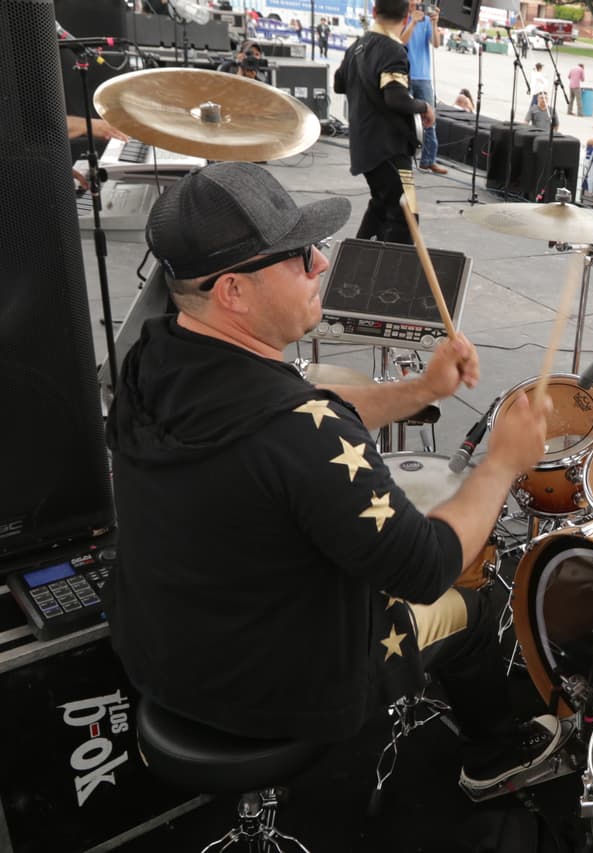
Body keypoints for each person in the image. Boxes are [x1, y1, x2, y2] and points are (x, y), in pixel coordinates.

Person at [105, 162, 566, 796]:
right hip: (276, 690)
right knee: (472, 601)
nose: (321, 263)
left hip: (163, 652)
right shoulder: (298, 434)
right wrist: (502, 463)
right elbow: (426, 564)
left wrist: (423, 390)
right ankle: (492, 757)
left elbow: (302, 393)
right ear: (233, 291)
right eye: (297, 255)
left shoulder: (151, 362)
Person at [334, 0, 435, 244]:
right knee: (405, 216)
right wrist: (424, 107)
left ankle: (354, 264)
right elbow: (396, 98)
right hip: (389, 148)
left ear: (374, 12)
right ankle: (392, 277)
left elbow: (339, 83)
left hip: (365, 147)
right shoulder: (393, 50)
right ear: (406, 17)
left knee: (381, 206)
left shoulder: (357, 47)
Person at [401, 2, 445, 176]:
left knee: (429, 120)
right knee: (404, 119)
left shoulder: (426, 19)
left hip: (424, 76)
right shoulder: (402, 17)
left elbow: (436, 43)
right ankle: (402, 158)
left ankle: (428, 160)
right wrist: (412, 22)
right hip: (405, 75)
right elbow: (400, 41)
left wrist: (434, 23)